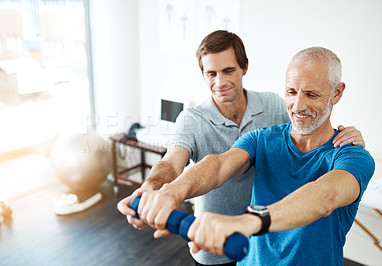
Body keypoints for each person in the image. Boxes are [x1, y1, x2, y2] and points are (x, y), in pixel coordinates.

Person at [117, 31, 365, 266]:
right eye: (291, 92)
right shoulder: (259, 138)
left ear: (337, 93)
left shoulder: (352, 155)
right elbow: (216, 165)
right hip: (223, 237)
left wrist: (249, 221)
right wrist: (169, 192)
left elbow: (325, 195)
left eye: (311, 94)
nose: (298, 105)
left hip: (243, 228)